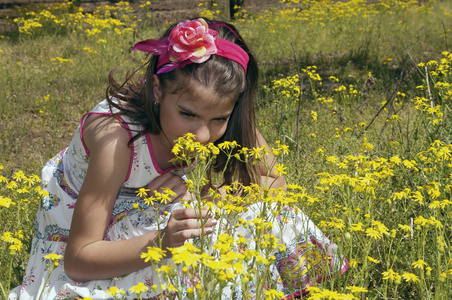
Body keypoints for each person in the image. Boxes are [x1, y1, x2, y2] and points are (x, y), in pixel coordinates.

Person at [9, 18, 347, 300]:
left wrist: (211, 195)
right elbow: (79, 260)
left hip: (160, 216)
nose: (202, 134)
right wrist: (162, 241)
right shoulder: (117, 140)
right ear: (157, 90)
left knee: (279, 218)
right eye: (188, 114)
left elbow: (276, 185)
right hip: (89, 239)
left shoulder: (221, 110)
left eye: (218, 119)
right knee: (179, 262)